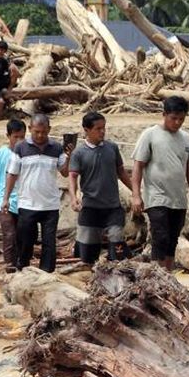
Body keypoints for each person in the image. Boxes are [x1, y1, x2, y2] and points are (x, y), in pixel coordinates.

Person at [131, 95, 189, 270]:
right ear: (164, 114)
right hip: (156, 196)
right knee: (160, 237)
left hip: (178, 198)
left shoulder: (186, 138)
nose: (177, 122)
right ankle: (156, 275)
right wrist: (136, 195)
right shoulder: (150, 135)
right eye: (173, 118)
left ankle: (167, 276)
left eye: (181, 119)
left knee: (172, 240)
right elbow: (138, 166)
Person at [1, 114, 71, 273]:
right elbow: (12, 174)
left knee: (49, 242)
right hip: (27, 204)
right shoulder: (20, 148)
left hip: (50, 205)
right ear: (30, 129)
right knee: (25, 240)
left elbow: (65, 173)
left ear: (49, 130)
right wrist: (5, 198)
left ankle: (47, 273)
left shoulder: (56, 148)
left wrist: (69, 156)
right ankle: (23, 269)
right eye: (36, 132)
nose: (40, 135)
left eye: (44, 132)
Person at [68, 111, 131, 266]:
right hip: (90, 208)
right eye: (98, 128)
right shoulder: (79, 153)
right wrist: (73, 197)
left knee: (118, 247)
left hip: (113, 208)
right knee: (87, 255)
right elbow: (72, 177)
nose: (102, 131)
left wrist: (135, 192)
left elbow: (121, 172)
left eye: (104, 128)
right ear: (86, 130)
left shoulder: (112, 148)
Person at [0, 119, 26, 272]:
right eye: (16, 137)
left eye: (22, 137)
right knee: (9, 234)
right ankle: (10, 268)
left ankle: (21, 267)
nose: (19, 140)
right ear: (8, 136)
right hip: (4, 202)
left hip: (24, 203)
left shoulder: (28, 154)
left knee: (23, 237)